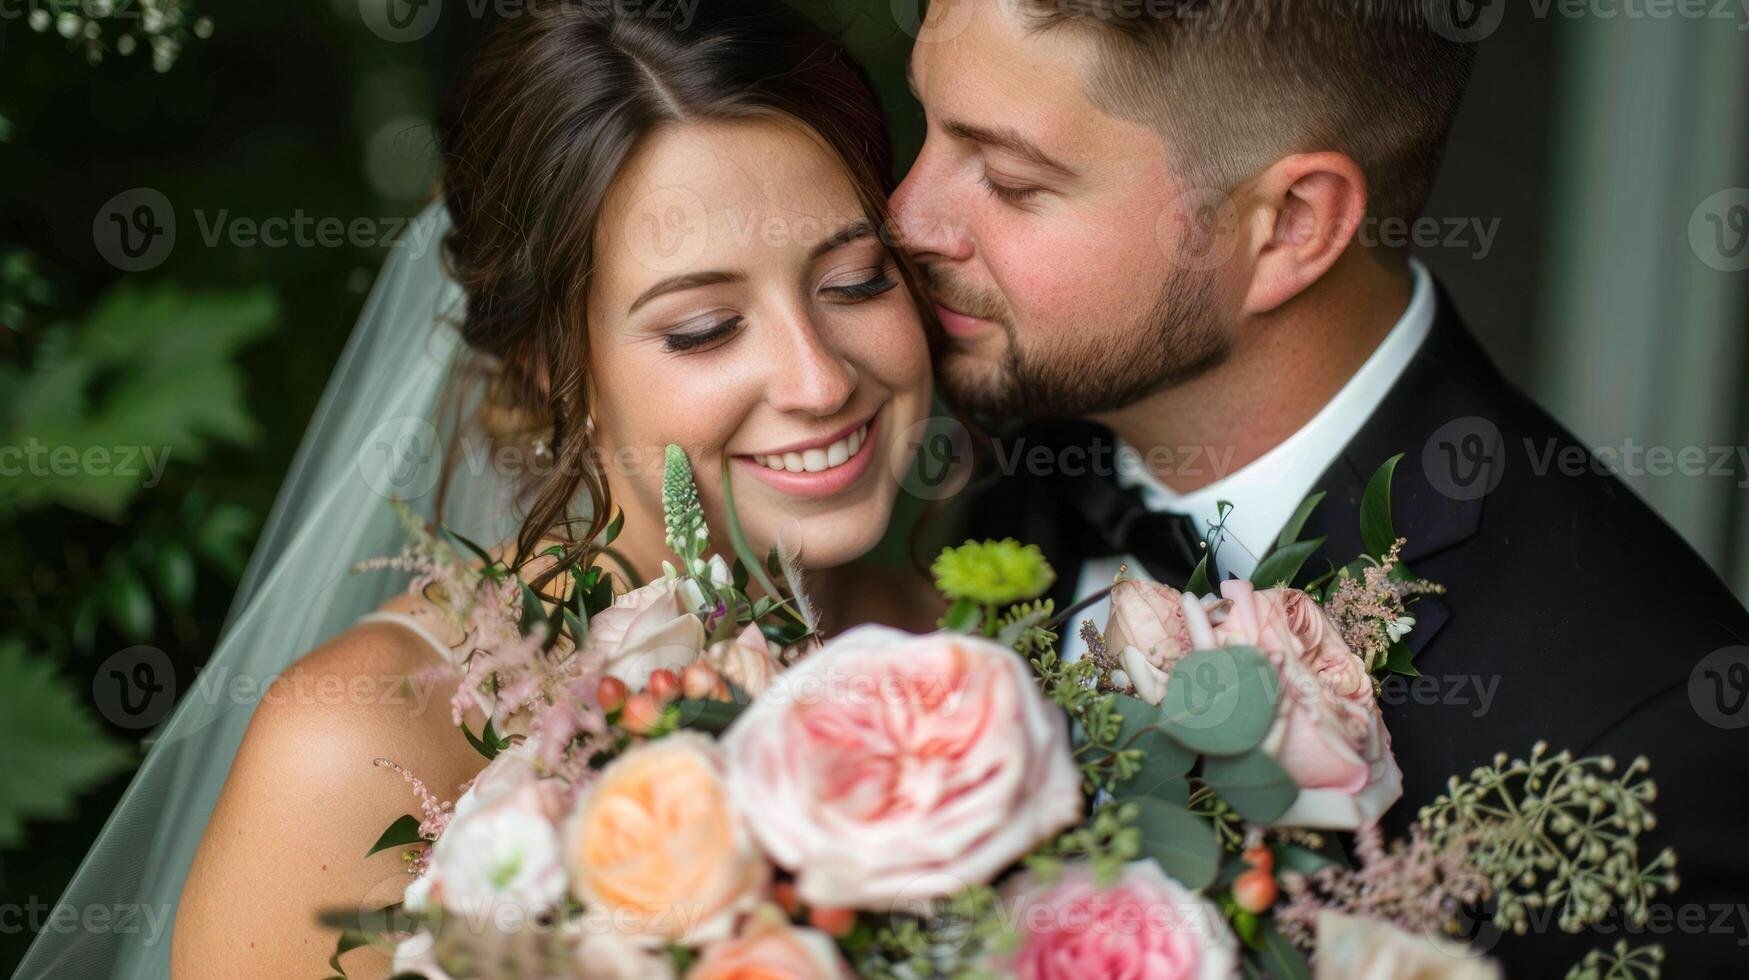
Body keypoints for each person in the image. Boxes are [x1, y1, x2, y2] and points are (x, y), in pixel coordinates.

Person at [19, 4, 940, 979]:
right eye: (706, 326)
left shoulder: (974, 656)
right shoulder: (357, 742)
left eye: (857, 280)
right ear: (548, 364)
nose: (821, 380)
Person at [892, 0, 1749, 974]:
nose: (907, 217)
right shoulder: (1024, 439)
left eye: (1009, 178)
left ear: (1291, 225)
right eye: (925, 126)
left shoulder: (1652, 739)